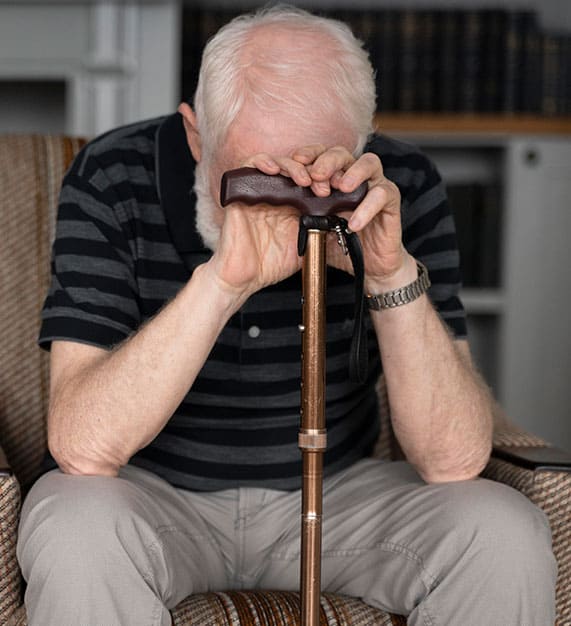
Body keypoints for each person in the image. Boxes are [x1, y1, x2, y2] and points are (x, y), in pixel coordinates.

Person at [17, 6, 556, 626]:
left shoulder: (399, 186)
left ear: (362, 143)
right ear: (196, 138)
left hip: (340, 492)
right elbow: (82, 448)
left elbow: (453, 460)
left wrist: (389, 273)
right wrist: (222, 282)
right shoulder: (113, 176)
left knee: (502, 532)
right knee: (74, 525)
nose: (288, 206)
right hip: (153, 496)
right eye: (254, 177)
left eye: (313, 178)